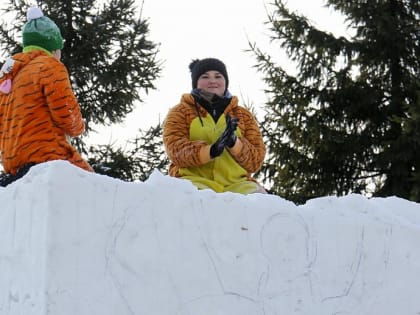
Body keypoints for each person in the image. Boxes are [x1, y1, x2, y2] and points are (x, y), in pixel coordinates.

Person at [0, 7, 93, 187]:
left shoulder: (8, 77)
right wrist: (79, 125)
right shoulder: (49, 65)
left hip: (13, 165)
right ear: (52, 46)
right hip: (47, 154)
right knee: (92, 186)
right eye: (59, 49)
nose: (60, 54)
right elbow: (66, 112)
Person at [163, 57, 266, 194]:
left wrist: (234, 143)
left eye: (218, 76)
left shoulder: (243, 115)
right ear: (196, 83)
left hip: (237, 186)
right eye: (205, 76)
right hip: (192, 182)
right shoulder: (180, 112)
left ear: (225, 82)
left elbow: (255, 160)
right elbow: (175, 150)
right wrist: (210, 151)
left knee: (264, 203)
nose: (212, 81)